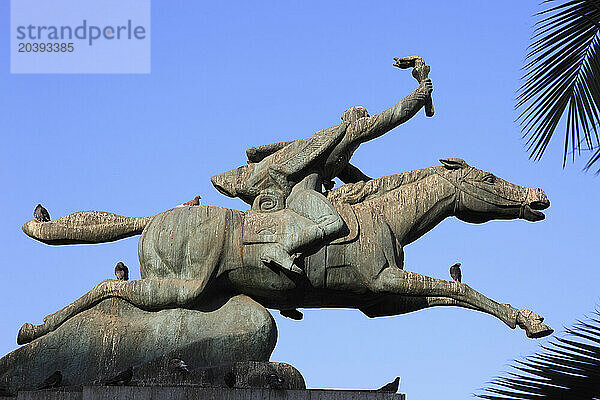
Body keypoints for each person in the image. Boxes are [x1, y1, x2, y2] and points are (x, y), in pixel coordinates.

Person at [211, 62, 433, 274]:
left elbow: (367, 184)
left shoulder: (337, 156)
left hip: (305, 194)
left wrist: (413, 184)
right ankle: (280, 249)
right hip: (301, 196)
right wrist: (421, 92)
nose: (367, 124)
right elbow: (392, 117)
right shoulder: (347, 133)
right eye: (365, 120)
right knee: (334, 223)